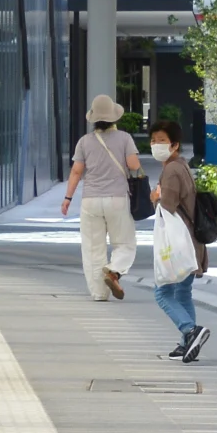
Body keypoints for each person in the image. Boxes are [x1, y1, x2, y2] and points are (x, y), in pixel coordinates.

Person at [60, 94, 142, 301]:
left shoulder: (85, 141)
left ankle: (98, 293)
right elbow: (133, 165)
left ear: (94, 118)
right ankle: (114, 270)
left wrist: (68, 198)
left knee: (92, 248)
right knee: (124, 243)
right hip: (117, 199)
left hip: (91, 200)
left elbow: (76, 172)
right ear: (114, 117)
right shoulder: (124, 138)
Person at [149, 118, 209, 362]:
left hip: (179, 242)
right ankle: (189, 344)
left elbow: (168, 205)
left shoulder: (171, 170)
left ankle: (190, 330)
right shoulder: (181, 165)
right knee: (183, 293)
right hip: (190, 241)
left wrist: (155, 197)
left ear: (174, 145)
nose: (156, 145)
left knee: (162, 292)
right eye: (153, 141)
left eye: (161, 141)